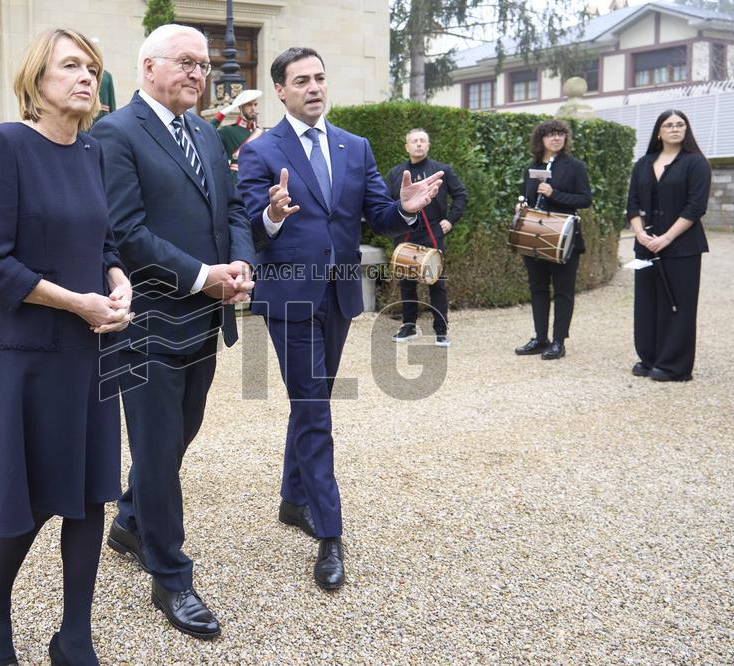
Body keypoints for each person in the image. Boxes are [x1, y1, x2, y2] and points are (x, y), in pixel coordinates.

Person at [236, 47, 442, 591]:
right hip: (289, 297)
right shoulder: (262, 151)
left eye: (320, 78)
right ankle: (330, 532)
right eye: (301, 80)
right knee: (313, 408)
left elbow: (376, 213)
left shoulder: (355, 146)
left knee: (312, 403)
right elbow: (249, 227)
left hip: (340, 295)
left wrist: (404, 207)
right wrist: (272, 217)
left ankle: (291, 498)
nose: (313, 87)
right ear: (279, 90)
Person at [0, 28, 132, 666]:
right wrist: (74, 301)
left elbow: (104, 244)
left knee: (89, 493)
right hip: (29, 353)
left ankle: (74, 633)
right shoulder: (2, 145)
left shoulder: (92, 154)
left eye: (91, 66)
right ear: (36, 80)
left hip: (92, 349)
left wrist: (118, 284)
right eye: (70, 66)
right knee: (28, 495)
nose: (85, 76)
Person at [89, 24, 255, 640]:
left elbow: (233, 209)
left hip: (205, 316)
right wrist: (202, 275)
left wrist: (240, 266)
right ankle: (172, 575)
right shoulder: (116, 133)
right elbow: (128, 232)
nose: (197, 73)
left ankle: (131, 519)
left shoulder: (208, 134)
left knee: (181, 434)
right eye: (185, 62)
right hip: (145, 321)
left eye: (203, 64)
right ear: (149, 66)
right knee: (158, 449)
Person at [626, 109, 711, 381]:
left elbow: (695, 207)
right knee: (647, 303)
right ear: (659, 131)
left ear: (686, 129)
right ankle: (649, 357)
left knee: (678, 304)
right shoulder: (643, 163)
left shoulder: (696, 163)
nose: (675, 129)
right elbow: (632, 204)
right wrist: (640, 234)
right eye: (669, 125)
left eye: (680, 124)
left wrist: (666, 238)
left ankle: (674, 365)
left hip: (681, 247)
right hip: (645, 245)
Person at [514, 119, 591, 360]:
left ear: (565, 138)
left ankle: (558, 342)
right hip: (534, 235)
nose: (556, 138)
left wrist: (553, 194)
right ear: (541, 139)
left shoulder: (576, 166)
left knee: (563, 291)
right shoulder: (532, 166)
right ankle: (540, 338)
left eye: (560, 134)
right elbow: (528, 197)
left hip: (564, 238)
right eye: (550, 134)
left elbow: (585, 199)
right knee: (537, 289)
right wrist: (521, 205)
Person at [385, 128, 468, 347]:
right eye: (414, 141)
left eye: (423, 141)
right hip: (404, 234)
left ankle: (441, 330)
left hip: (432, 233)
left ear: (428, 146)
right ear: (407, 146)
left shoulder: (442, 170)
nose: (419, 144)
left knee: (437, 282)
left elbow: (461, 195)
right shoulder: (396, 173)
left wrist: (450, 220)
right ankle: (409, 325)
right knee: (406, 282)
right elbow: (385, 202)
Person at [210, 89, 264, 179]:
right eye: (249, 105)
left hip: (259, 181)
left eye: (255, 104)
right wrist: (222, 113)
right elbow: (206, 131)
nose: (253, 108)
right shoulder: (228, 131)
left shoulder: (260, 133)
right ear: (241, 108)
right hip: (238, 182)